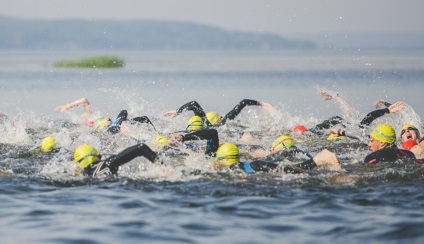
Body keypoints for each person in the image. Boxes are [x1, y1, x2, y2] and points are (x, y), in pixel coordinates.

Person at [55, 98, 157, 135]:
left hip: (115, 124)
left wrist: (66, 107)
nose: (82, 116)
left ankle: (156, 132)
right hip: (111, 129)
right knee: (122, 116)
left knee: (143, 118)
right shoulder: (87, 127)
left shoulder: (89, 117)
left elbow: (84, 100)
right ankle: (125, 127)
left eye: (83, 115)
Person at [163, 99, 274, 127]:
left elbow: (193, 104)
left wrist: (177, 112)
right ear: (218, 120)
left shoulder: (205, 125)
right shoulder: (224, 123)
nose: (222, 118)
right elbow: (243, 102)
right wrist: (262, 103)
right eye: (220, 117)